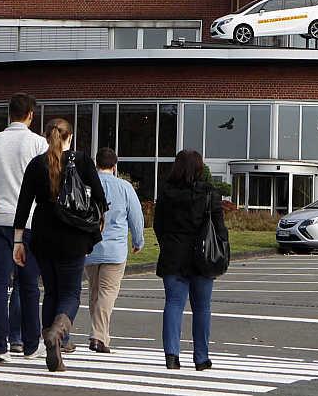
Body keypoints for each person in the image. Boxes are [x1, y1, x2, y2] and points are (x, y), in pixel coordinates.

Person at [13, 118, 107, 373]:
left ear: (46, 138)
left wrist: (18, 240)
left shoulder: (36, 164)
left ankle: (51, 346)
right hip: (73, 234)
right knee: (71, 293)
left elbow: (23, 204)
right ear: (70, 137)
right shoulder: (83, 161)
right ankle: (59, 332)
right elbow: (99, 197)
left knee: (51, 292)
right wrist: (98, 223)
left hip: (43, 233)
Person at [0, 93, 47, 362]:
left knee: (0, 282)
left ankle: (0, 347)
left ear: (9, 113)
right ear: (31, 114)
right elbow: (47, 180)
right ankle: (29, 344)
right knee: (28, 285)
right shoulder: (38, 143)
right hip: (27, 222)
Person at [154, 149, 227, 371]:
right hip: (202, 256)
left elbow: (158, 225)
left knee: (174, 304)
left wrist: (167, 243)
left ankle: (172, 355)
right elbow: (220, 229)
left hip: (174, 254)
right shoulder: (209, 194)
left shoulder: (166, 193)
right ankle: (201, 357)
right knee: (202, 307)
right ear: (199, 168)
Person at [84, 147, 144, 353]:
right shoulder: (124, 187)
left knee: (94, 292)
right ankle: (98, 336)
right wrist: (138, 241)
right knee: (107, 292)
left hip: (90, 247)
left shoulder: (87, 185)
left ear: (96, 163)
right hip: (115, 247)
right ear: (115, 166)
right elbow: (136, 216)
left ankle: (97, 333)